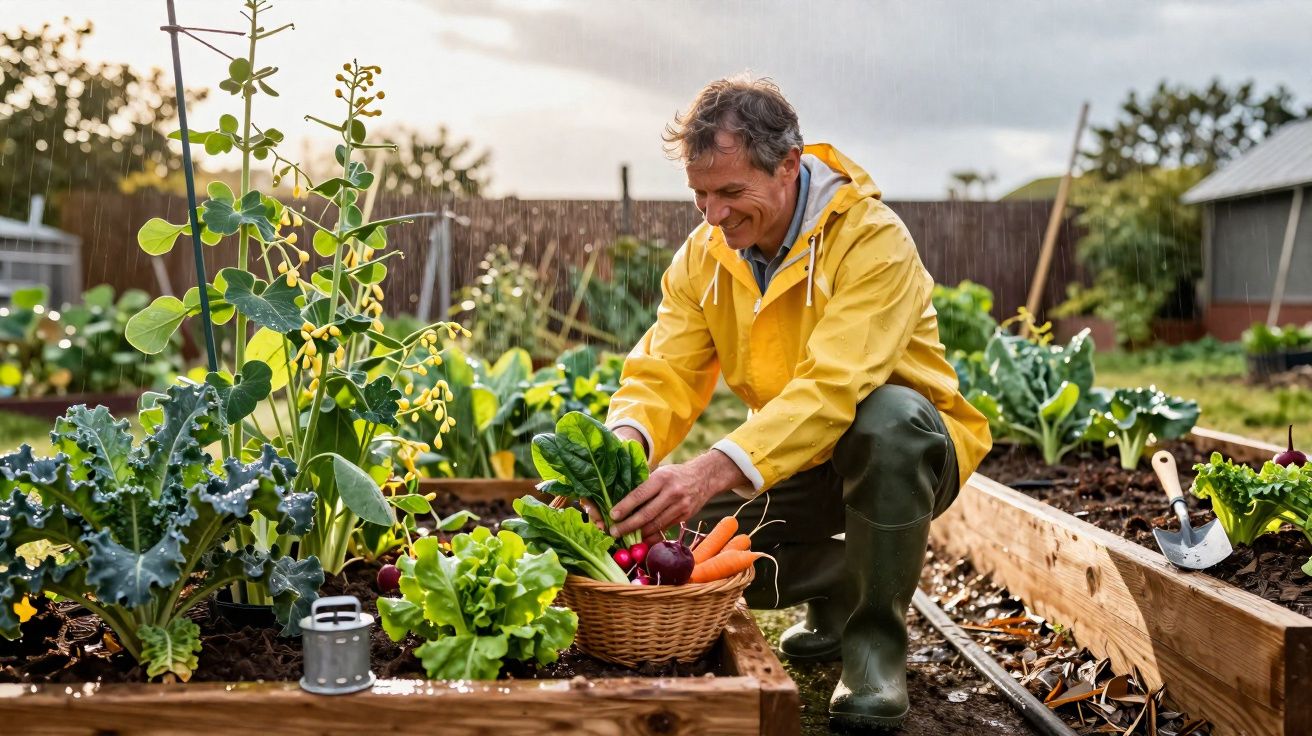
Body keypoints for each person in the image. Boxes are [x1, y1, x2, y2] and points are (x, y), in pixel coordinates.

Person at [597, 76, 992, 730]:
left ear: (787, 165)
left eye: (730, 192)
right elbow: (665, 365)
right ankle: (850, 581)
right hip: (794, 456)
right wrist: (622, 450)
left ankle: (874, 650)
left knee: (886, 419)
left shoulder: (871, 241)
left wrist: (711, 468)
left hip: (907, 455)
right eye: (699, 194)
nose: (713, 215)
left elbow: (835, 387)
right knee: (681, 554)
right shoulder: (705, 256)